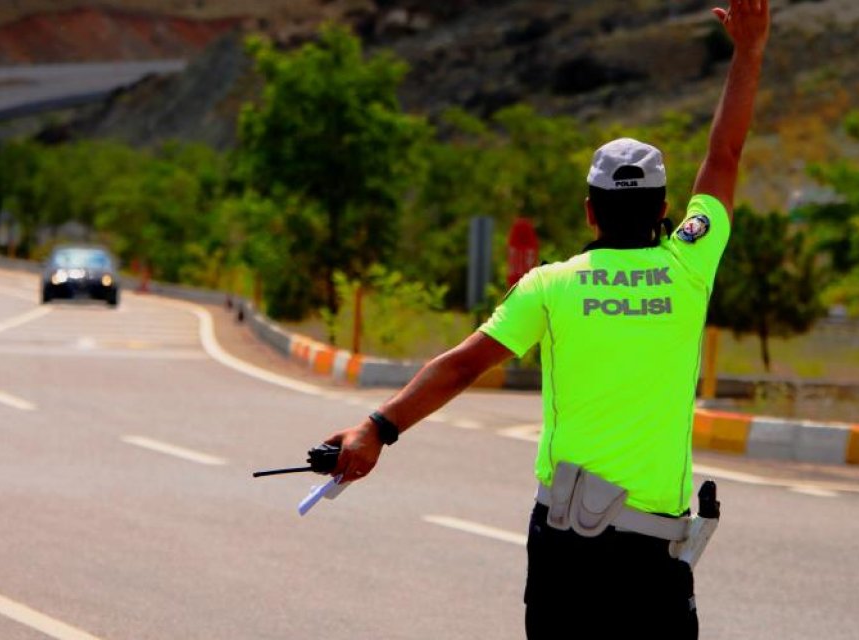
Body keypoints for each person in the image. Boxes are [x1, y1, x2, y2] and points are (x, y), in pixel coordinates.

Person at [321, 1, 771, 637]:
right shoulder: (689, 267)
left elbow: (462, 366)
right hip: (653, 554)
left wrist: (375, 429)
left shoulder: (550, 286)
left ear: (590, 212)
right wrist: (749, 50)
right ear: (664, 210)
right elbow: (724, 153)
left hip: (566, 548)